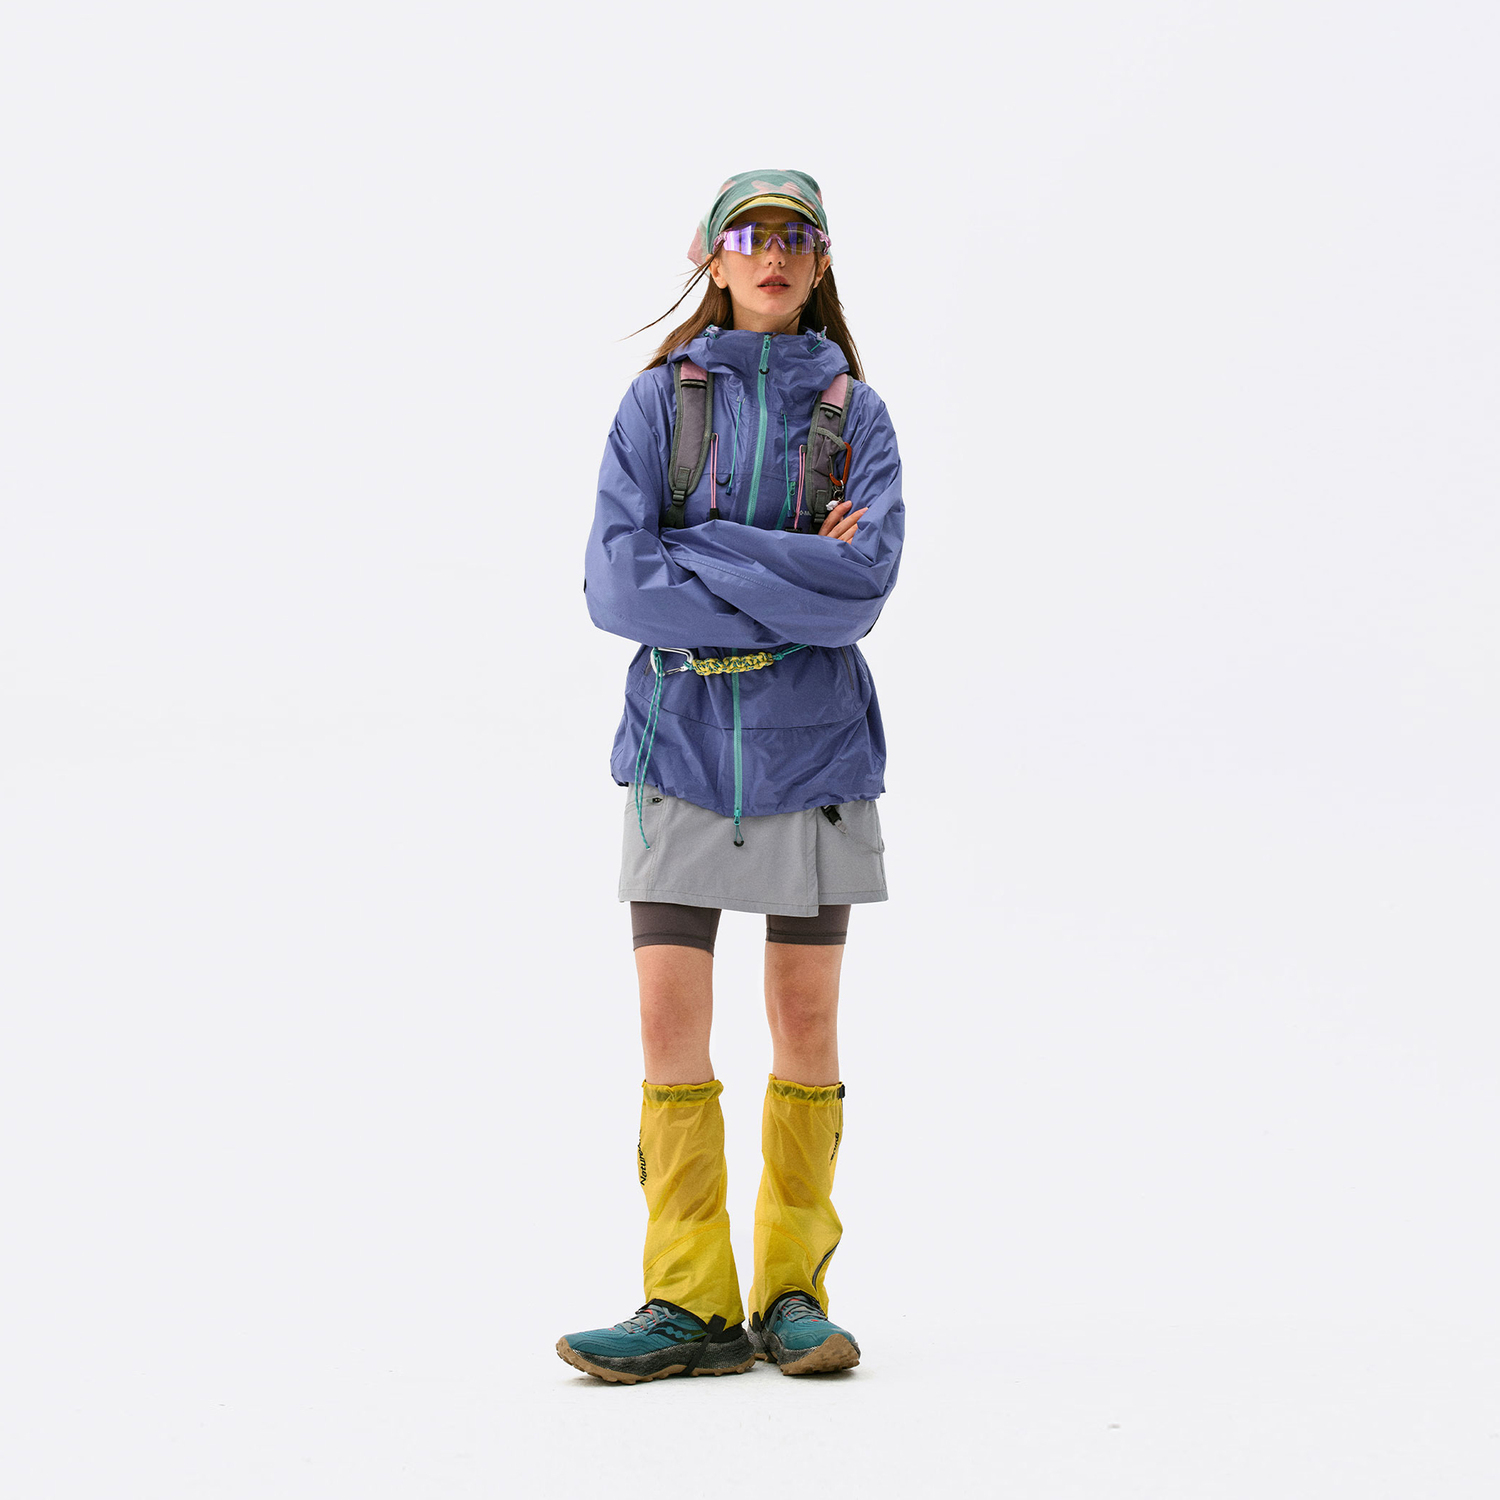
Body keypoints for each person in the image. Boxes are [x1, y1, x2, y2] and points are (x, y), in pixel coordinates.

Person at [557, 170, 904, 1383]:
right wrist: (788, 566)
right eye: (749, 234)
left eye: (796, 236)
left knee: (805, 1021)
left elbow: (859, 593)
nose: (773, 253)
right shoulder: (659, 402)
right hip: (680, 742)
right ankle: (689, 1301)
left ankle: (793, 1294)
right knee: (669, 1022)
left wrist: (697, 549)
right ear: (712, 257)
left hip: (818, 749)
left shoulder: (859, 414)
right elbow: (616, 585)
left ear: (821, 261)